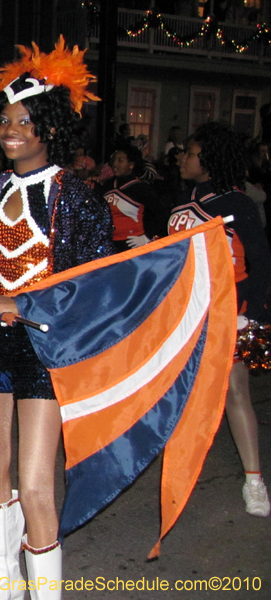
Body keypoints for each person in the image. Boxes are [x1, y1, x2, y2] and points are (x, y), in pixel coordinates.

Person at [0, 38, 112, 597]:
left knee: (35, 483)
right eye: (4, 120)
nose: (10, 130)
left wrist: (23, 301)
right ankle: (2, 583)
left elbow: (93, 282)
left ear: (49, 127)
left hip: (48, 348)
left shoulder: (74, 196)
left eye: (23, 120)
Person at [168, 121, 271, 518]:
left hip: (229, 314)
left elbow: (261, 263)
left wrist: (251, 314)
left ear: (208, 161)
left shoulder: (237, 204)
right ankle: (182, 473)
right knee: (182, 395)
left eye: (191, 154)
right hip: (187, 315)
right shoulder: (181, 201)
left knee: (235, 391)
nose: (183, 158)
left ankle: (255, 480)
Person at [104, 145, 168, 252]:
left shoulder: (140, 188)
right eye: (114, 160)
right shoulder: (108, 185)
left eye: (120, 161)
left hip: (132, 244)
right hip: (110, 244)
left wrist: (146, 237)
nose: (115, 164)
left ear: (131, 165)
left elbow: (162, 213)